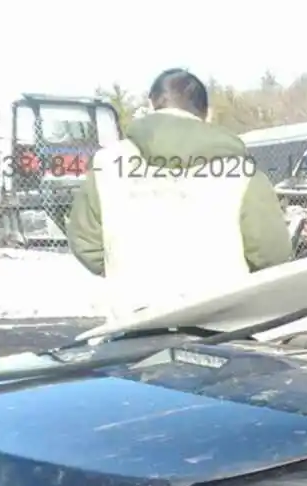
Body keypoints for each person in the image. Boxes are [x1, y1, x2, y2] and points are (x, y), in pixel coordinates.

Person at [66, 68, 292, 319]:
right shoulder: (240, 170)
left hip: (133, 324)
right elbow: (272, 254)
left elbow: (86, 243)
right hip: (223, 326)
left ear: (151, 105)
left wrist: (131, 270)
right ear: (206, 113)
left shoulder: (107, 163)